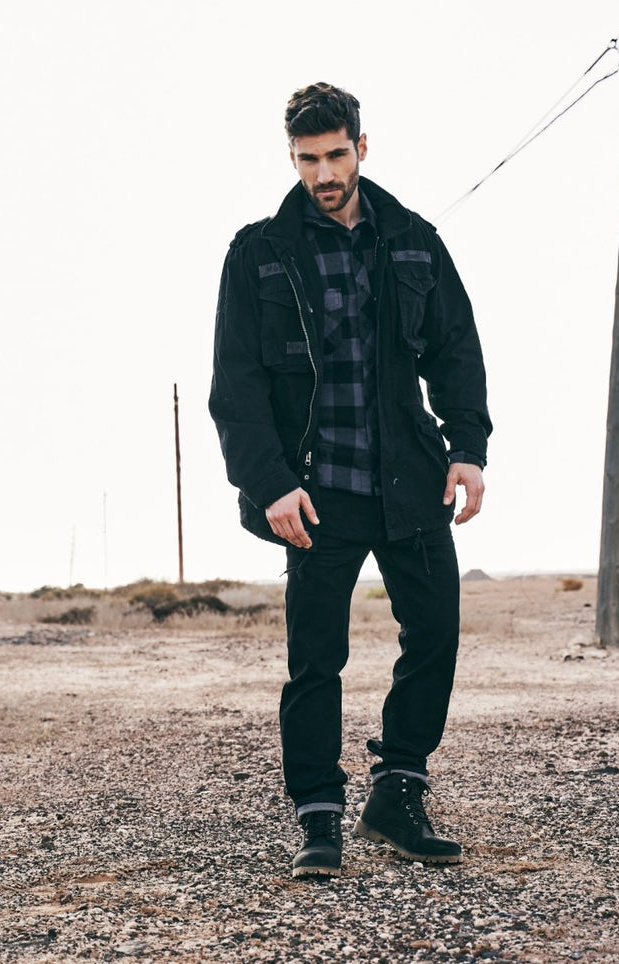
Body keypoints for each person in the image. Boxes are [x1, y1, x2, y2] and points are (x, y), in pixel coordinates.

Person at [209, 82, 492, 879]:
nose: (323, 173)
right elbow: (235, 387)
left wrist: (466, 447)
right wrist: (268, 485)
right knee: (315, 658)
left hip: (412, 481)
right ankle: (317, 816)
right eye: (308, 160)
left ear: (362, 148)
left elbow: (455, 351)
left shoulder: (413, 241)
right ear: (291, 158)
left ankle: (398, 790)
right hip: (315, 490)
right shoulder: (258, 252)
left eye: (336, 155)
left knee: (434, 636)